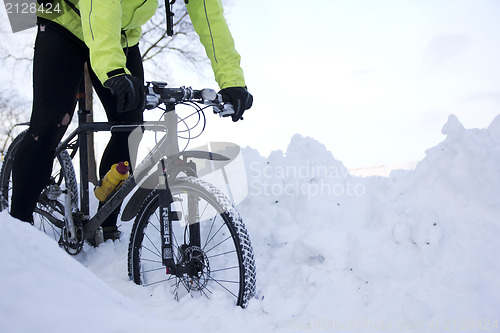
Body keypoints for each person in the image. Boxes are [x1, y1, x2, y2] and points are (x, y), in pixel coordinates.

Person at [9, 0, 253, 241]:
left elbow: (210, 16)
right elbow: (100, 5)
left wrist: (232, 80)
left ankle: (104, 227)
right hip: (64, 19)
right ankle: (17, 228)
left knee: (130, 128)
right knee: (51, 123)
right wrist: (113, 70)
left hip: (119, 33)